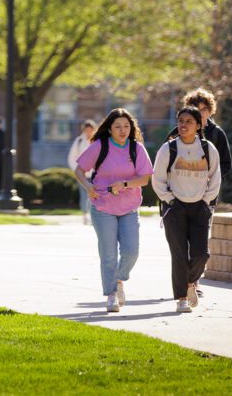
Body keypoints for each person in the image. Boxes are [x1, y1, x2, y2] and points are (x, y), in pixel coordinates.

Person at [74, 108, 153, 313]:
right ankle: (111, 295)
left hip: (129, 207)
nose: (122, 130)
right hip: (102, 207)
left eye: (126, 126)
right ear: (109, 129)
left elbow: (145, 178)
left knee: (131, 252)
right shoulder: (100, 146)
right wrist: (88, 186)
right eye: (117, 126)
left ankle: (119, 279)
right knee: (108, 254)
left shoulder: (137, 149)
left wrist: (125, 184)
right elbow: (79, 170)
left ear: (131, 128)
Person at [153, 106, 221, 313]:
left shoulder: (208, 149)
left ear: (199, 125)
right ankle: (182, 298)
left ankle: (190, 282)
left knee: (202, 254)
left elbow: (215, 177)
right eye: (180, 120)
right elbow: (157, 179)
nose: (183, 125)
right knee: (179, 254)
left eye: (188, 121)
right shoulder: (169, 149)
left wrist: (206, 201)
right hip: (175, 208)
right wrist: (170, 200)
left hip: (200, 207)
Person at [165, 87, 232, 178]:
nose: (200, 114)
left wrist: (208, 178)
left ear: (210, 111)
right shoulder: (178, 131)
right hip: (180, 188)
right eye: (196, 110)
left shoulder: (217, 133)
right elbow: (164, 158)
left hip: (207, 190)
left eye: (203, 110)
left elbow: (225, 164)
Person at [67, 120, 95, 223]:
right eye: (87, 130)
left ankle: (93, 215)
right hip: (82, 175)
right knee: (84, 195)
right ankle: (85, 215)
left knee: (95, 194)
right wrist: (77, 171)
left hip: (94, 174)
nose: (88, 132)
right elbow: (71, 157)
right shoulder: (79, 141)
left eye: (90, 130)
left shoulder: (96, 141)